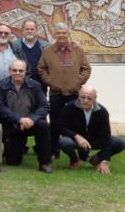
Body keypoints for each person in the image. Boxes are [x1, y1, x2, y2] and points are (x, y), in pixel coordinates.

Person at [38, 23, 91, 159]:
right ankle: (54, 151)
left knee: (79, 122)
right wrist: (50, 82)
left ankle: (83, 152)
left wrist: (78, 81)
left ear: (69, 34)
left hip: (75, 93)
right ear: (54, 35)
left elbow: (86, 69)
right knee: (55, 123)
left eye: (64, 33)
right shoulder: (48, 51)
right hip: (56, 94)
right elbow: (41, 69)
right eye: (58, 33)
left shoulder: (78, 50)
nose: (61, 35)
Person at [0, 60, 52, 173]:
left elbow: (44, 106)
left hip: (32, 123)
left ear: (25, 72)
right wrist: (19, 119)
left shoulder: (35, 85)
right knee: (13, 162)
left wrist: (32, 119)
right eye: (14, 70)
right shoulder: (1, 86)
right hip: (13, 124)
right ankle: (15, 152)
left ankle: (44, 163)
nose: (17, 73)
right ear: (9, 71)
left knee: (43, 125)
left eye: (20, 70)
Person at [59, 86, 125, 175]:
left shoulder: (102, 111)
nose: (85, 100)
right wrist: (77, 136)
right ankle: (74, 159)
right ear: (79, 95)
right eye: (83, 97)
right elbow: (61, 127)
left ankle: (96, 159)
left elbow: (105, 136)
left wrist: (105, 160)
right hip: (76, 140)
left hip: (95, 140)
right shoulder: (69, 107)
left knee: (120, 142)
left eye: (89, 98)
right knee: (64, 142)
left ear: (95, 98)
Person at [11, 20, 50, 92]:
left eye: (32, 29)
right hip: (20, 85)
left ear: (36, 31)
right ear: (22, 30)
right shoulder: (13, 45)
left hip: (40, 86)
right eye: (27, 29)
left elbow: (59, 49)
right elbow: (0, 46)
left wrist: (73, 45)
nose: (30, 31)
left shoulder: (46, 46)